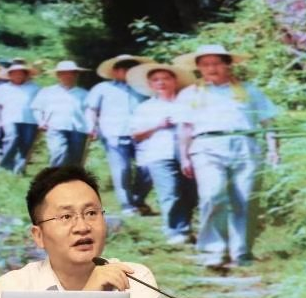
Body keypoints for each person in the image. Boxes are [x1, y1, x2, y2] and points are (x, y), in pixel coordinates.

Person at [0, 165, 173, 298]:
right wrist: (88, 296)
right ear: (39, 235)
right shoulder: (15, 286)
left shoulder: (133, 276)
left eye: (91, 213)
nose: (82, 227)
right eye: (66, 216)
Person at [173, 44, 280, 268]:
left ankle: (242, 253)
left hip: (245, 145)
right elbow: (184, 128)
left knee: (246, 199)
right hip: (206, 146)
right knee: (212, 195)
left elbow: (269, 122)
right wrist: (184, 157)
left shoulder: (249, 90)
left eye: (216, 63)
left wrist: (273, 149)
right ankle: (214, 250)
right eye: (205, 64)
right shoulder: (190, 93)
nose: (211, 68)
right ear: (198, 68)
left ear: (228, 65)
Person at [127, 62, 198, 245]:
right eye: (156, 80)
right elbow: (136, 135)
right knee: (170, 192)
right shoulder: (145, 108)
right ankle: (176, 231)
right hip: (159, 154)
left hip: (190, 153)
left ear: (175, 81)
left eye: (166, 78)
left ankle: (186, 226)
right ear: (150, 85)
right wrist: (157, 125)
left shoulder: (187, 103)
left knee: (191, 193)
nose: (161, 82)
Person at [85, 54, 155, 215]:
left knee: (149, 167)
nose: (129, 71)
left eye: (132, 68)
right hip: (114, 134)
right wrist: (91, 126)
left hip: (143, 134)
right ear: (115, 71)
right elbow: (91, 109)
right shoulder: (102, 88)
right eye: (125, 68)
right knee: (122, 170)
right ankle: (127, 205)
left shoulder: (145, 88)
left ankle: (138, 199)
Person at [31, 61, 90, 167]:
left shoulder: (84, 93)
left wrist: (92, 127)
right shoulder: (47, 91)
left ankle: (71, 176)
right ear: (58, 75)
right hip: (55, 127)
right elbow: (37, 108)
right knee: (58, 152)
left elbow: (90, 112)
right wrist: (41, 121)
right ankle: (55, 175)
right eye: (64, 73)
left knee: (75, 158)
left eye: (71, 73)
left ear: (76, 75)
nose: (68, 76)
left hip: (79, 129)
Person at [0, 62, 41, 174]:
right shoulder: (3, 88)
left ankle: (18, 170)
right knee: (12, 138)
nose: (18, 76)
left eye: (20, 73)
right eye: (14, 73)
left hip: (31, 120)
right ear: (10, 75)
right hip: (9, 119)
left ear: (26, 75)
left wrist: (42, 119)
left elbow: (41, 104)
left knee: (26, 144)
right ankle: (5, 165)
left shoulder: (35, 88)